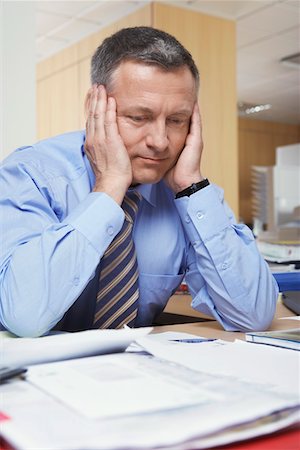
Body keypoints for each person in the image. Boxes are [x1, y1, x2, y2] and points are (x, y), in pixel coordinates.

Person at [0, 26, 278, 337]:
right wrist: (109, 187)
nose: (160, 142)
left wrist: (192, 187)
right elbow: (23, 317)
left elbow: (253, 316)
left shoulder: (191, 196)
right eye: (139, 117)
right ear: (96, 108)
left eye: (176, 120)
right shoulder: (31, 173)